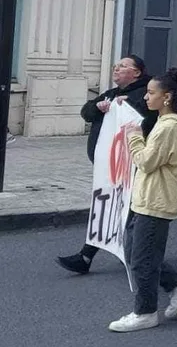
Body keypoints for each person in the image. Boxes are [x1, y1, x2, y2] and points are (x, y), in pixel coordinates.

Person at [108, 68, 177, 332]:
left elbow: (147, 161)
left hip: (156, 200)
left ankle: (146, 312)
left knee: (142, 259)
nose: (146, 98)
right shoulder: (165, 122)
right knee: (136, 253)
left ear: (167, 97)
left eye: (151, 93)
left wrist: (134, 137)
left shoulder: (169, 127)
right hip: (146, 197)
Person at [57, 55, 159, 275]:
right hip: (109, 166)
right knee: (107, 208)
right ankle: (94, 256)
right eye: (115, 66)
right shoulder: (112, 94)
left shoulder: (145, 94)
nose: (116, 69)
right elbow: (87, 112)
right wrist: (100, 107)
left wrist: (122, 107)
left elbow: (145, 120)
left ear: (137, 73)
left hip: (128, 164)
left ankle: (124, 257)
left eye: (122, 66)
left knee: (123, 210)